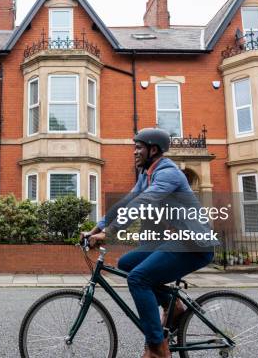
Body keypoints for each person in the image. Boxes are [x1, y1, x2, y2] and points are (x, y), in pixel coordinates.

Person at [81, 128, 218, 358]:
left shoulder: (168, 174)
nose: (134, 152)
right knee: (126, 263)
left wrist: (111, 232)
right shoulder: (147, 175)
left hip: (193, 244)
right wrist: (95, 229)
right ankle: (173, 307)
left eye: (139, 148)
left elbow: (144, 203)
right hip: (175, 240)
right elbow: (126, 202)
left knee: (138, 279)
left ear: (153, 150)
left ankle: (157, 347)